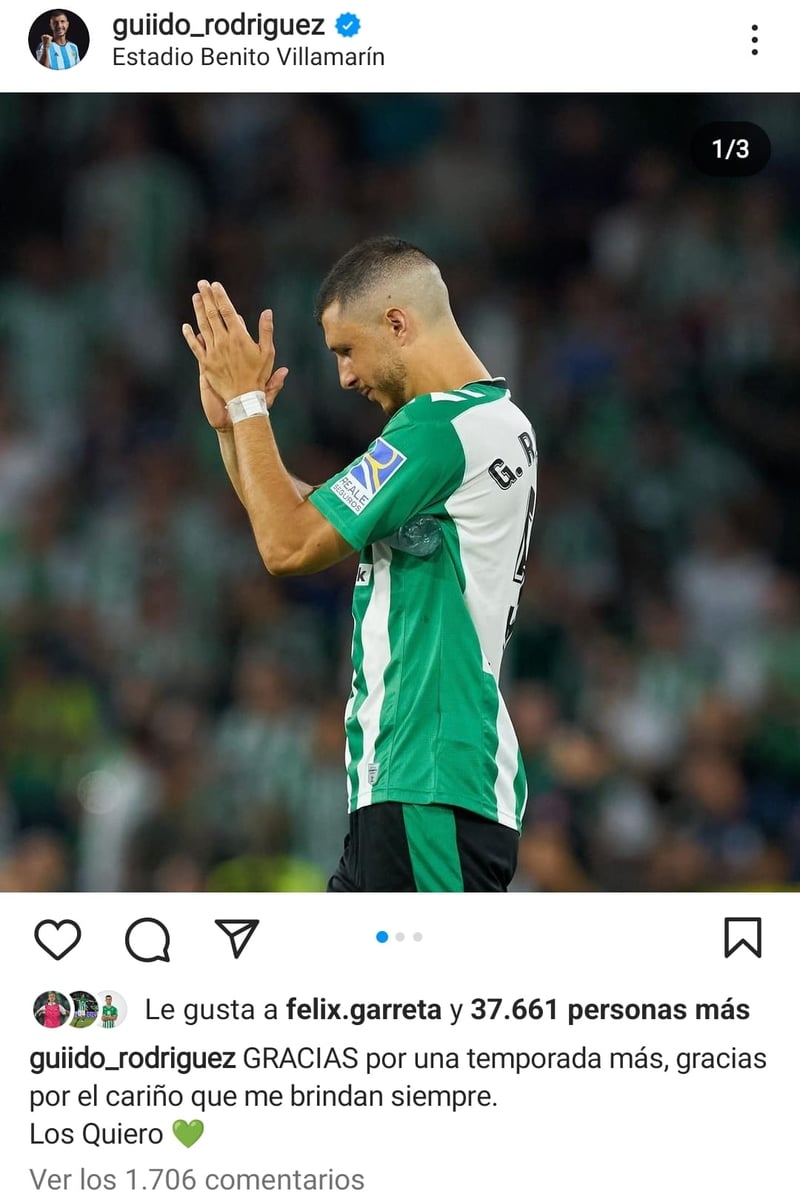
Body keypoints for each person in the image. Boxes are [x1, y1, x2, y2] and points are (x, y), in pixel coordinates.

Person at [182, 236, 538, 892]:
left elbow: (288, 547)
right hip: (428, 777)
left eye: (346, 349)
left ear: (397, 323)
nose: (345, 377)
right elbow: (305, 520)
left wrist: (249, 406)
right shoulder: (493, 422)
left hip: (426, 775)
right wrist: (233, 428)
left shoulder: (437, 429)